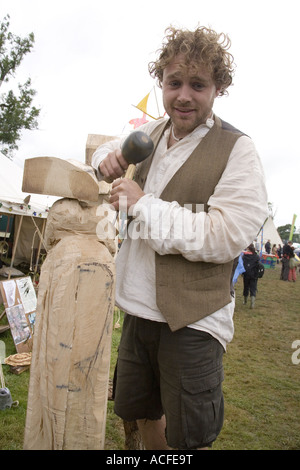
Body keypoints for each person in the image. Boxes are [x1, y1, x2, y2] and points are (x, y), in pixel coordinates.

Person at [92, 26, 268, 450]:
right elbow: (99, 152)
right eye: (174, 83)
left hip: (193, 321)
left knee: (189, 436)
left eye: (198, 84)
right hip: (138, 309)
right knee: (141, 413)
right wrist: (106, 159)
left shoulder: (238, 150)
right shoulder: (151, 133)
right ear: (162, 84)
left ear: (218, 88)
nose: (184, 95)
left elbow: (223, 236)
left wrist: (142, 204)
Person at [242, 244, 260, 308]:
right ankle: (252, 303)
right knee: (253, 288)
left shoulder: (244, 256)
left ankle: (245, 301)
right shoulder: (256, 256)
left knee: (246, 287)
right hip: (254, 275)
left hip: (246, 274)